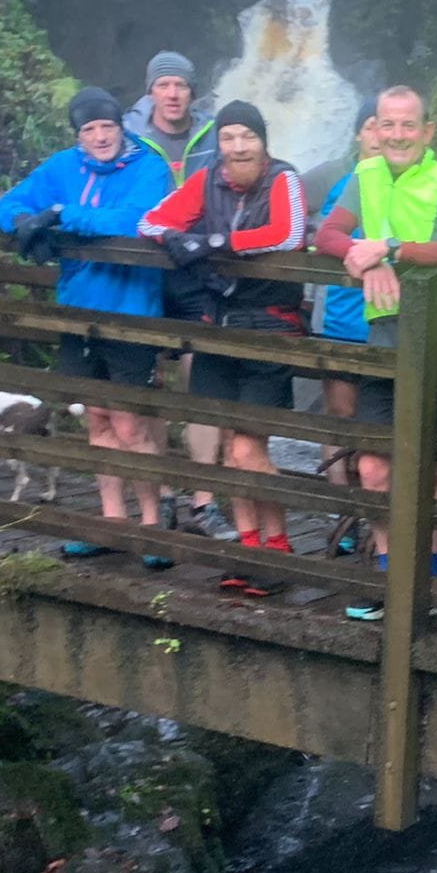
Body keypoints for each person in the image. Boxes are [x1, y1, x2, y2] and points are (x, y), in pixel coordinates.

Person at [0, 87, 176, 564]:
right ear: (78, 135)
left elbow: (137, 220)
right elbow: (13, 202)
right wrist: (25, 222)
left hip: (130, 309)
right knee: (96, 417)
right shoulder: (63, 166)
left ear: (122, 128)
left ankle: (154, 527)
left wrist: (61, 215)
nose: (99, 137)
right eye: (89, 130)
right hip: (76, 309)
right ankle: (112, 523)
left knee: (131, 423)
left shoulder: (148, 167)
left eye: (107, 128)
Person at [311, 87, 437, 621]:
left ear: (427, 131)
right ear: (376, 130)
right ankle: (391, 582)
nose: (398, 135)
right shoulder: (365, 177)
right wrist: (363, 259)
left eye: (409, 125)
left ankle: (424, 583)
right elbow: (328, 234)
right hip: (385, 335)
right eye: (389, 125)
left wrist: (391, 249)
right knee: (374, 465)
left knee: (431, 463)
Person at [138, 101, 307, 596]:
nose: (238, 147)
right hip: (220, 326)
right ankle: (248, 549)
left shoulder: (284, 180)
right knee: (233, 450)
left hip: (270, 328)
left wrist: (214, 240)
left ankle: (276, 549)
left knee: (247, 446)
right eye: (229, 137)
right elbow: (151, 222)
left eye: (247, 137)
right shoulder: (206, 179)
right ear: (220, 143)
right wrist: (174, 237)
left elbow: (290, 234)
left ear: (263, 141)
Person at [124, 49, 230, 540]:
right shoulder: (124, 136)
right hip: (143, 273)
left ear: (193, 91)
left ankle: (204, 500)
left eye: (181, 86)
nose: (172, 94)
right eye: (163, 85)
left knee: (203, 381)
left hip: (197, 272)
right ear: (150, 90)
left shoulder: (215, 136)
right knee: (149, 384)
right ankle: (162, 495)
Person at [302, 103, 383, 542]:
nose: (377, 135)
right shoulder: (329, 175)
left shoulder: (404, 179)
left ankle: (376, 516)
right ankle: (344, 514)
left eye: (384, 126)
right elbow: (292, 212)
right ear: (357, 134)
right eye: (370, 126)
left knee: (379, 422)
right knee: (339, 414)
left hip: (387, 319)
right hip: (334, 314)